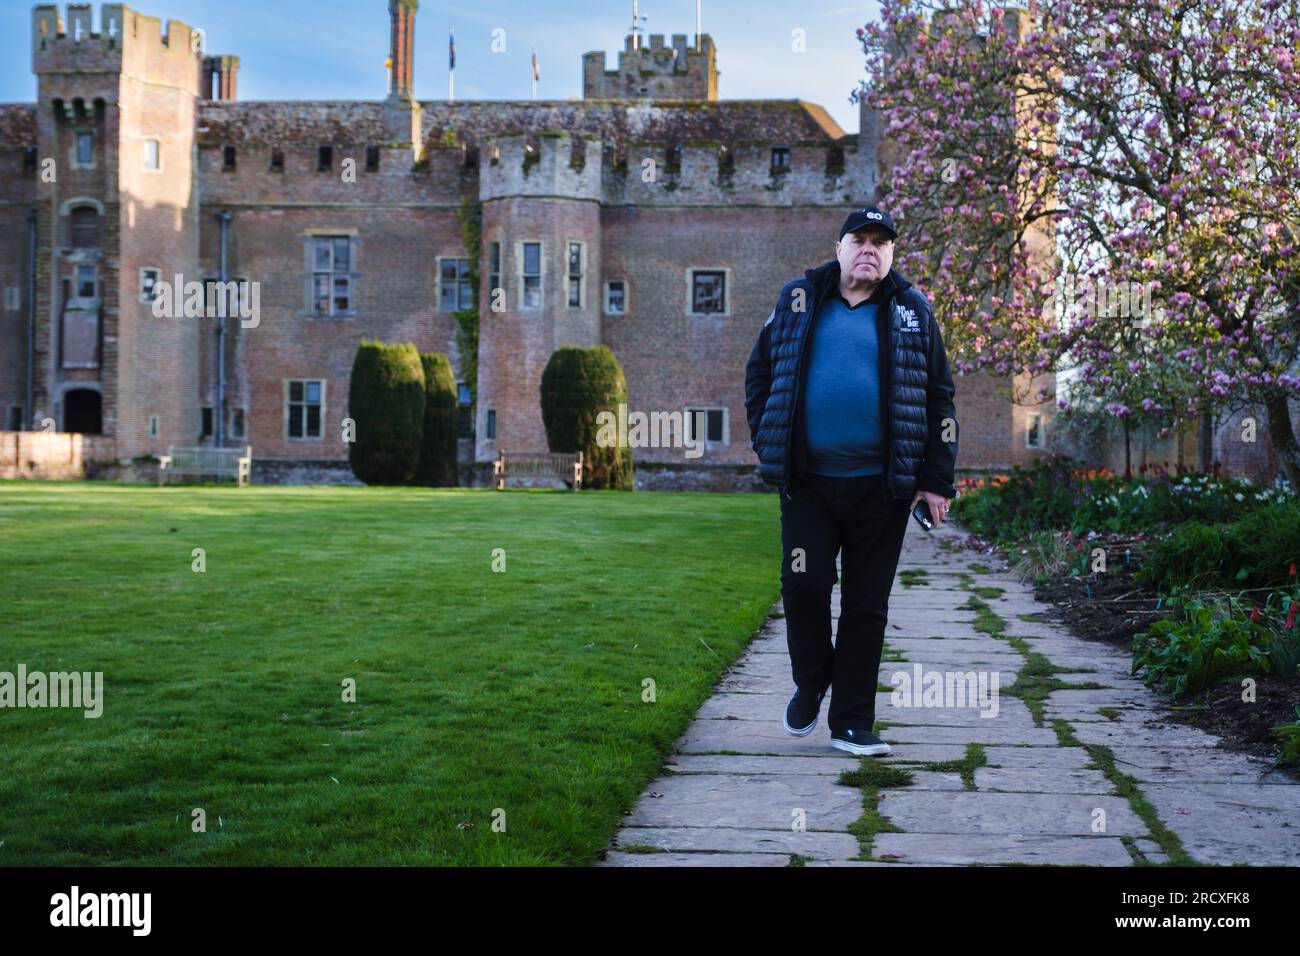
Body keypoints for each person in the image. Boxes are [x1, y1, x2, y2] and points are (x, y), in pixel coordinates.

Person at [743, 205, 958, 756]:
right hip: (810, 483)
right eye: (859, 239)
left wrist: (936, 480)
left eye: (881, 243)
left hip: (881, 489)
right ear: (838, 248)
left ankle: (852, 722)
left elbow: (940, 397)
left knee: (867, 605)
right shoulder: (798, 298)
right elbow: (760, 372)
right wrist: (770, 440)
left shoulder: (913, 309)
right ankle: (812, 681)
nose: (870, 249)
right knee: (805, 586)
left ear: (891, 254)